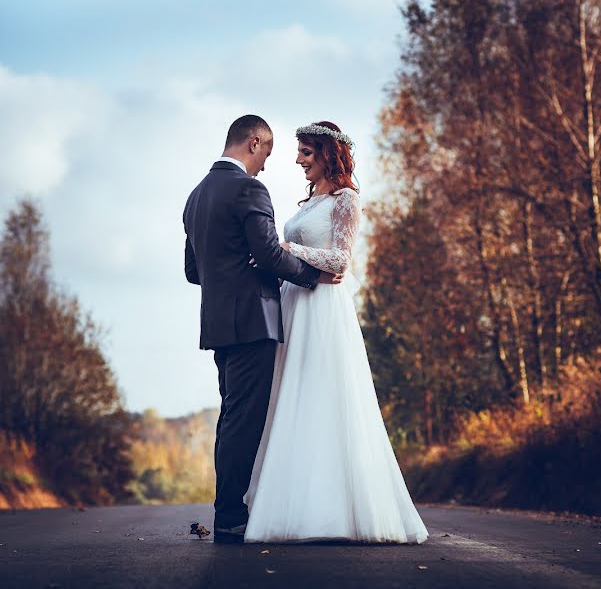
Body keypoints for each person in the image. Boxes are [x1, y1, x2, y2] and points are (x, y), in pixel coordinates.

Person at [242, 121, 428, 544]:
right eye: (299, 152)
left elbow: (341, 261)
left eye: (306, 152)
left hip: (323, 311)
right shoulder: (309, 204)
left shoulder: (347, 200)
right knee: (290, 396)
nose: (297, 160)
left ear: (328, 154)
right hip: (294, 304)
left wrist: (289, 250)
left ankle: (336, 511)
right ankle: (290, 503)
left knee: (323, 396)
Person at [182, 115, 343, 544]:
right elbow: (270, 254)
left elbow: (193, 271)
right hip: (254, 320)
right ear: (254, 142)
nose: (266, 166)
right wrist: (313, 277)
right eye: (267, 154)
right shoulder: (248, 189)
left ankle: (231, 509)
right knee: (245, 420)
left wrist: (232, 271)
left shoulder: (195, 197)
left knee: (232, 416)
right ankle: (232, 514)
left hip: (217, 323)